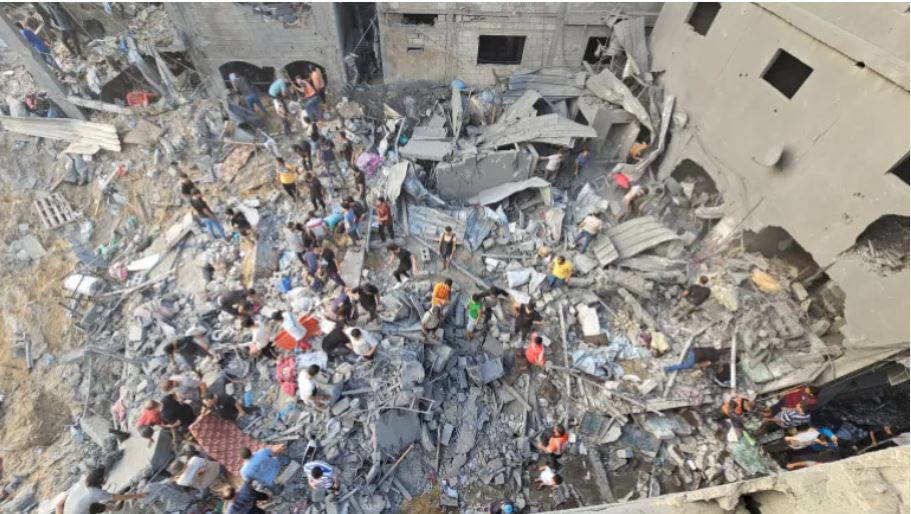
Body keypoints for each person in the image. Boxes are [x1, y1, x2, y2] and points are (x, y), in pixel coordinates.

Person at [55, 467, 146, 514]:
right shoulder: (94, 492)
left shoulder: (82, 483)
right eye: (104, 477)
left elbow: (59, 504)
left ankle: (114, 502)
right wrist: (138, 495)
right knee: (112, 506)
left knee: (106, 501)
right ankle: (116, 505)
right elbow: (59, 504)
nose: (106, 478)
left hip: (77, 509)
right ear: (99, 480)